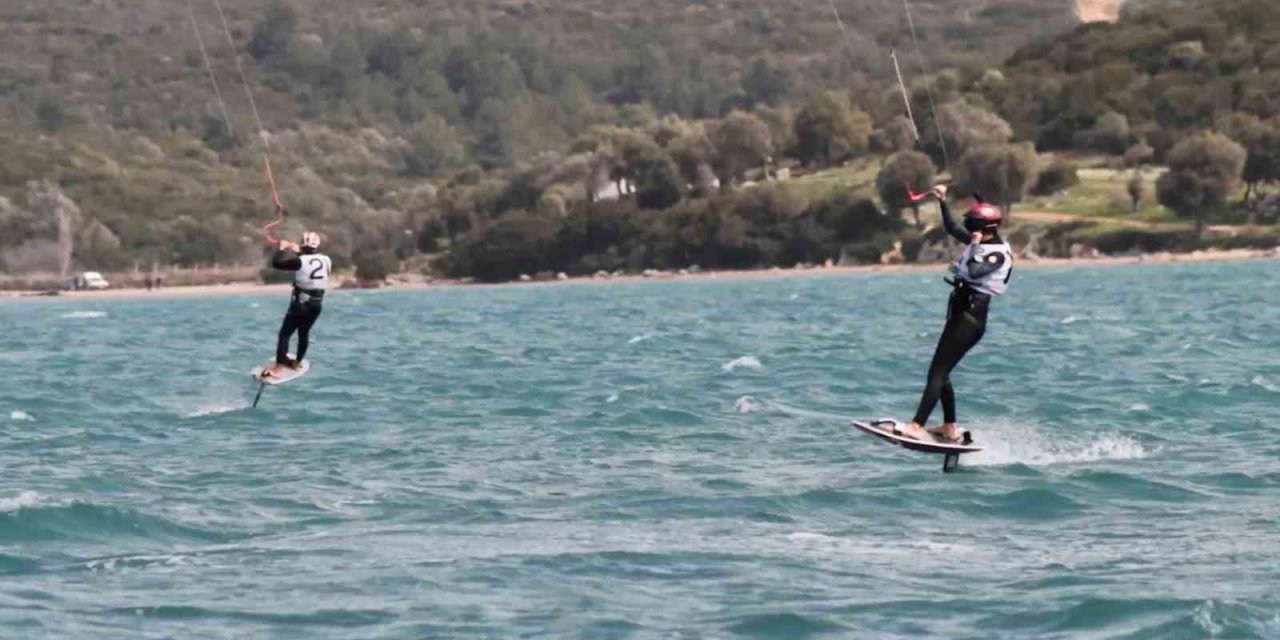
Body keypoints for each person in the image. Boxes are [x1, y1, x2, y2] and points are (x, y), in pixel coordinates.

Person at [895, 185, 1013, 443]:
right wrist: (942, 201)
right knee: (942, 372)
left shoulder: (997, 255)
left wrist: (974, 246)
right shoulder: (980, 241)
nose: (969, 230)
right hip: (960, 315)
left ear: (985, 229)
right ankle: (949, 428)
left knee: (936, 373)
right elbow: (951, 227)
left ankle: (916, 426)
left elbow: (973, 271)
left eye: (973, 226)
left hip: (969, 320)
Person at [265, 223, 330, 377]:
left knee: (285, 334)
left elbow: (277, 263)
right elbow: (310, 262)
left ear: (303, 244)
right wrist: (299, 251)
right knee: (304, 332)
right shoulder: (326, 259)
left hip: (301, 304)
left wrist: (281, 248)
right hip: (317, 304)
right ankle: (297, 362)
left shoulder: (300, 261)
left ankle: (278, 368)